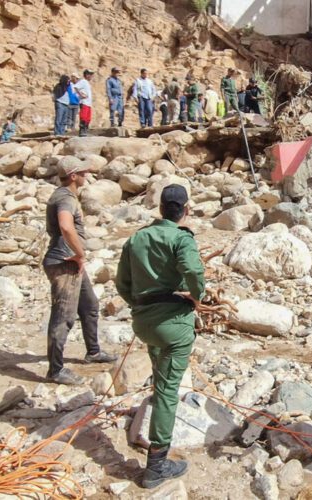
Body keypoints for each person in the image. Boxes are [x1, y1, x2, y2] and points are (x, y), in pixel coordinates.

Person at [115, 184, 205, 489]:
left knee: (159, 373)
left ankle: (153, 420)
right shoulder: (182, 238)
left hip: (143, 322)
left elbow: (122, 284)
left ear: (160, 209)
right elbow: (193, 271)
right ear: (186, 210)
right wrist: (197, 296)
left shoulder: (137, 237)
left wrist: (139, 306)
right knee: (168, 390)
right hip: (173, 323)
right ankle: (155, 466)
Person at [43, 160, 117, 385]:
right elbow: (66, 226)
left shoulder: (62, 194)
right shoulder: (65, 198)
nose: (87, 175)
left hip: (70, 262)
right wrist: (79, 253)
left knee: (90, 306)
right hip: (65, 262)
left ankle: (93, 351)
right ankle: (55, 370)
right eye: (83, 172)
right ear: (73, 176)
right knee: (63, 317)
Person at [73, 69, 95, 137]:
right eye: (90, 75)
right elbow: (75, 87)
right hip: (84, 102)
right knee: (83, 117)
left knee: (88, 118)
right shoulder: (83, 81)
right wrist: (81, 94)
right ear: (87, 75)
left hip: (88, 103)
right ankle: (82, 131)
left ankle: (85, 130)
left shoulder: (87, 83)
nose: (91, 76)